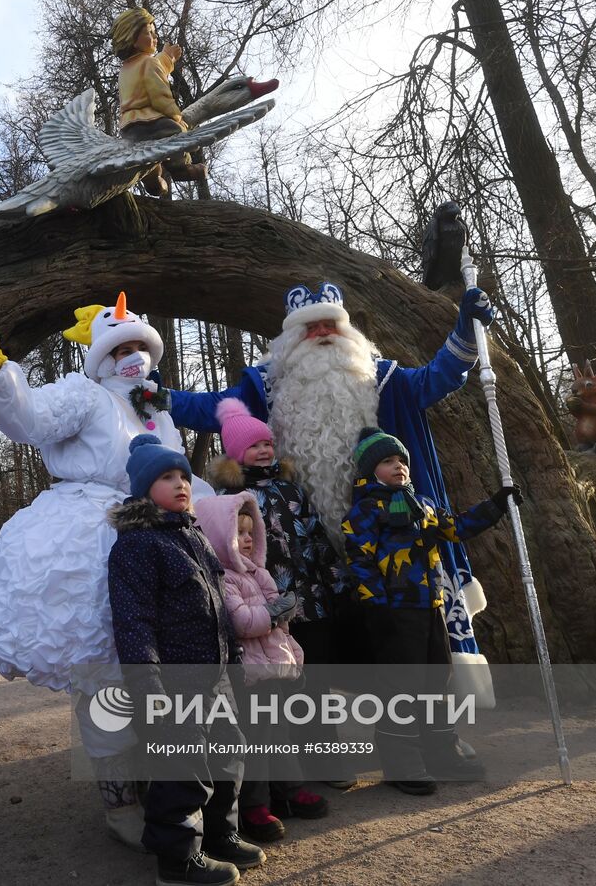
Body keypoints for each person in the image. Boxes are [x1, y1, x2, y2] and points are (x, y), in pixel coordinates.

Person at [0, 293, 193, 847]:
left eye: (139, 347)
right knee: (104, 669)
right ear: (101, 357)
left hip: (159, 533)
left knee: (161, 663)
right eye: (121, 348)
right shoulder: (85, 395)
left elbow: (179, 476)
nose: (132, 357)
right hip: (93, 532)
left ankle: (165, 782)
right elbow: (30, 419)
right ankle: (118, 800)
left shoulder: (156, 409)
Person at [170, 281, 498, 686]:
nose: (322, 333)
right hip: (308, 559)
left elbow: (439, 378)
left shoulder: (382, 379)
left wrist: (465, 332)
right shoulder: (267, 387)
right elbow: (209, 408)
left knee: (413, 648)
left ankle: (428, 736)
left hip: (389, 546)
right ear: (290, 340)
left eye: (330, 325)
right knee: (321, 657)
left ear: (348, 333)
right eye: (311, 328)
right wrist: (158, 396)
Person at [108, 434, 263, 886]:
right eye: (166, 477)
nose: (180, 484)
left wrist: (233, 660)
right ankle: (178, 860)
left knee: (228, 754)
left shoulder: (192, 536)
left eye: (183, 476)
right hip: (173, 682)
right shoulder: (136, 547)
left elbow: (217, 607)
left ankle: (221, 834)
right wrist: (148, 686)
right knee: (184, 770)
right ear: (142, 489)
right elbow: (133, 621)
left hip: (213, 675)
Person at [341, 427, 521, 794]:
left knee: (438, 681)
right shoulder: (364, 512)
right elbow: (359, 562)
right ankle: (401, 761)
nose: (399, 467)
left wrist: (496, 504)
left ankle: (442, 749)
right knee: (401, 687)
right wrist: (377, 608)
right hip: (393, 613)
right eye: (388, 462)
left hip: (431, 606)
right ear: (370, 470)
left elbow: (455, 528)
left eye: (402, 461)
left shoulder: (421, 504)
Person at [205, 398, 354, 791]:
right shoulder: (231, 498)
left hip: (310, 599)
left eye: (268, 443)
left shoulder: (291, 489)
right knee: (280, 689)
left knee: (316, 683)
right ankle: (289, 772)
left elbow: (317, 537)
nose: (265, 450)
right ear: (238, 454)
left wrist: (337, 582)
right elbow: (230, 551)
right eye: (254, 446)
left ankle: (326, 757)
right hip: (266, 608)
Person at [194, 491, 328, 844]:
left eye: (251, 532)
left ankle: (289, 789)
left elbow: (282, 619)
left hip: (276, 669)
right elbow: (243, 622)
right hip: (249, 675)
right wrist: (275, 612)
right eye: (239, 533)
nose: (249, 539)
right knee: (256, 741)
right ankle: (255, 805)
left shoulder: (258, 573)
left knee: (281, 734)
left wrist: (284, 627)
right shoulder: (223, 577)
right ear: (218, 538)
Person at [112, 7, 206, 194]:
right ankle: (182, 168)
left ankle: (153, 178)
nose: (155, 37)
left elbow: (155, 66)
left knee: (146, 154)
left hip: (128, 127)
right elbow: (159, 94)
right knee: (177, 133)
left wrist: (167, 57)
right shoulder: (148, 63)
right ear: (133, 39)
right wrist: (175, 115)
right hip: (150, 121)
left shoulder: (125, 69)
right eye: (150, 33)